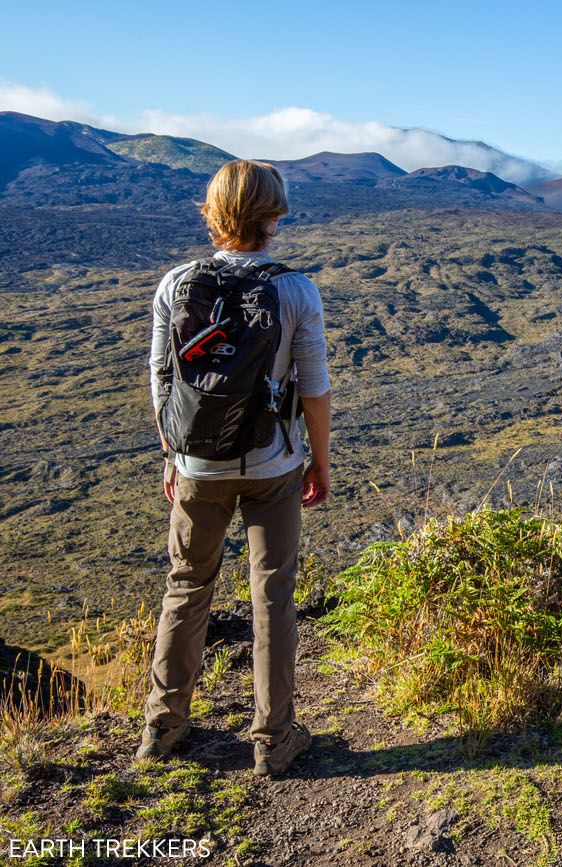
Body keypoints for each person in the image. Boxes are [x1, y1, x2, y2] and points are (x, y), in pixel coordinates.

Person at [138, 159, 332, 777]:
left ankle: (162, 729)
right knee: (272, 595)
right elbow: (315, 387)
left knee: (185, 587)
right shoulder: (295, 289)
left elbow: (163, 379)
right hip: (272, 460)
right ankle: (272, 741)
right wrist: (317, 461)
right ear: (275, 216)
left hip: (196, 463)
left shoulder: (175, 284)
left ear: (211, 211)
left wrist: (175, 455)